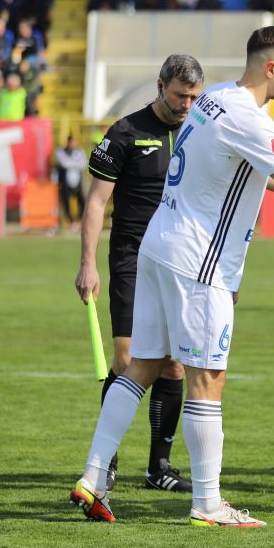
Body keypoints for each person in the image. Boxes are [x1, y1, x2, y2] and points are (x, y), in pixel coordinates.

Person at [69, 30, 274, 526]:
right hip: (198, 261)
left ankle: (93, 477)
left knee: (141, 365)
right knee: (208, 377)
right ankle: (208, 504)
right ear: (270, 68)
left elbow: (257, 172)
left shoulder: (214, 99)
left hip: (159, 246)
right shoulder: (248, 116)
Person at [75, 56, 207, 495]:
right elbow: (96, 203)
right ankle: (106, 460)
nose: (186, 104)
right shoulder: (124, 132)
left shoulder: (200, 130)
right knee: (129, 359)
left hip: (181, 262)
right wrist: (88, 263)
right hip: (132, 259)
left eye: (193, 96)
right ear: (160, 86)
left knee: (173, 364)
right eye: (179, 95)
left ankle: (159, 466)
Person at [55, 135, 87, 232]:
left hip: (77, 182)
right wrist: (75, 163)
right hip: (65, 183)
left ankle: (80, 222)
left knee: (83, 202)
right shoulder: (61, 152)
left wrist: (72, 163)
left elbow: (83, 164)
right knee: (66, 204)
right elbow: (65, 164)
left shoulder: (79, 152)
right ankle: (71, 223)